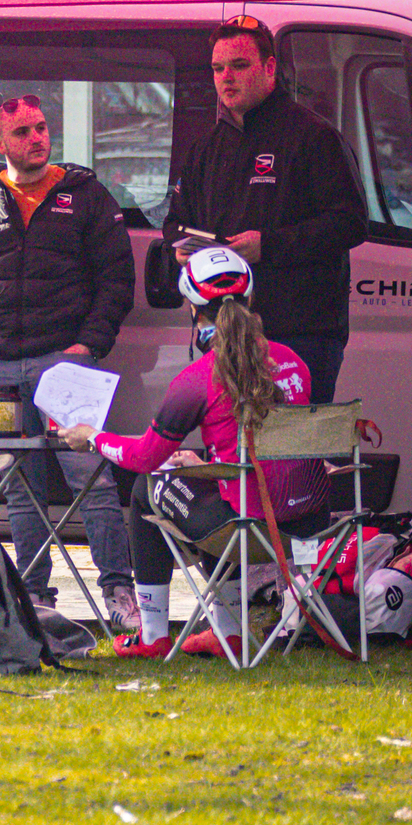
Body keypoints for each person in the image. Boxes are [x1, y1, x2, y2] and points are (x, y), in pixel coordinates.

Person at [0, 90, 140, 634]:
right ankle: (32, 596)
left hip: (65, 365)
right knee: (16, 490)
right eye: (23, 132)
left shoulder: (85, 194)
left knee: (90, 478)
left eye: (42, 128)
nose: (37, 138)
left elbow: (117, 278)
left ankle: (119, 593)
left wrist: (87, 347)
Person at [91, 244, 327, 658]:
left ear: (193, 310)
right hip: (306, 522)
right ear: (251, 301)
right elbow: (268, 450)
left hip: (244, 525)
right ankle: (227, 632)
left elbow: (144, 457)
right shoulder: (294, 362)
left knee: (150, 486)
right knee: (216, 490)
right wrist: (209, 464)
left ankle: (153, 636)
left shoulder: (199, 377)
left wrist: (93, 436)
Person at [165, 14, 368, 407]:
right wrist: (182, 247)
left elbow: (350, 223)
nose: (226, 77)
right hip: (225, 332)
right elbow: (174, 221)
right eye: (218, 68)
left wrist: (269, 246)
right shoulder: (206, 147)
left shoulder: (313, 136)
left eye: (239, 66)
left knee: (293, 459)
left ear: (269, 67)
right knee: (231, 454)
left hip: (299, 331)